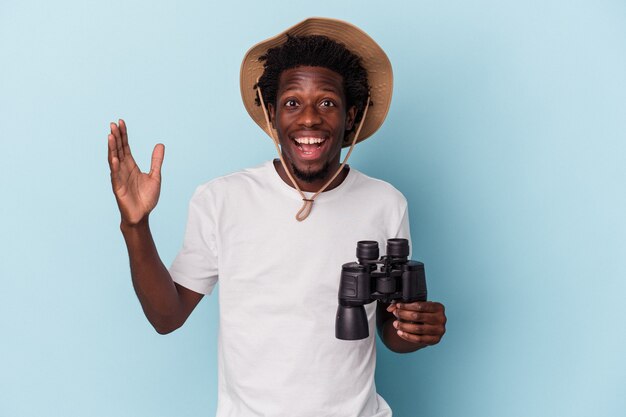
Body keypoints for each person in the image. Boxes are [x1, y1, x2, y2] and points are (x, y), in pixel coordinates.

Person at [107, 17, 446, 417]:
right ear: (271, 114)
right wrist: (136, 225)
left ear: (351, 116)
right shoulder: (222, 198)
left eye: (327, 103)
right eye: (291, 103)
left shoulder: (386, 203)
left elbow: (390, 332)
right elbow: (167, 316)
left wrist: (417, 328)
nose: (308, 119)